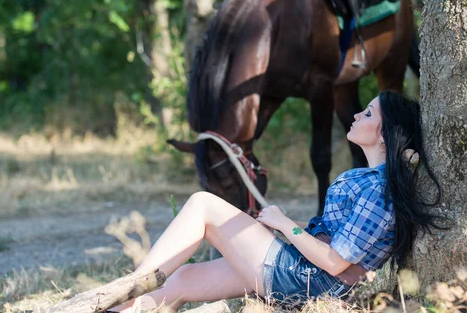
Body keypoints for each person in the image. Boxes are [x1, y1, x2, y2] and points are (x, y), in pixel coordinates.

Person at [109, 91, 443, 312]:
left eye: (368, 113)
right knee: (182, 279)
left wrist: (284, 224)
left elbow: (336, 262)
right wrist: (275, 225)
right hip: (303, 271)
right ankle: (113, 306)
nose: (356, 115)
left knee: (202, 205)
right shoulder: (371, 182)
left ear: (385, 135)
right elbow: (333, 242)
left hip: (308, 281)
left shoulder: (380, 191)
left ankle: (125, 291)